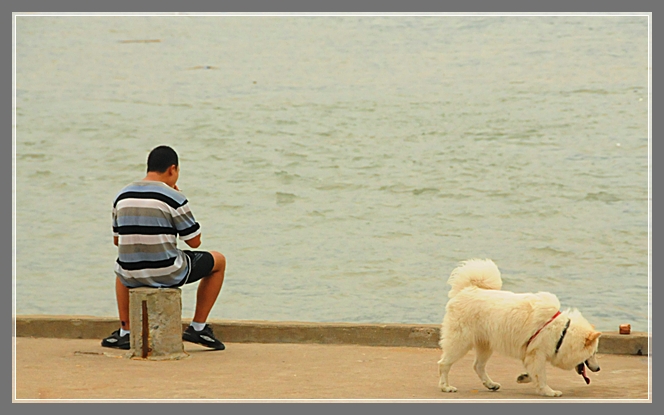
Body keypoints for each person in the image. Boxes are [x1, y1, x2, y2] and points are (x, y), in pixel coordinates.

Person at [102, 145, 227, 350]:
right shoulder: (173, 197)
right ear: (172, 169)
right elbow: (195, 242)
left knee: (123, 265)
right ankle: (198, 327)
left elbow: (118, 241)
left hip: (131, 275)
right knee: (219, 261)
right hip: (168, 272)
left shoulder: (122, 196)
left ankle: (126, 330)